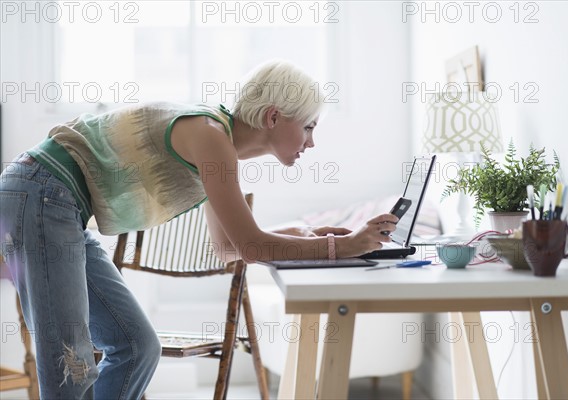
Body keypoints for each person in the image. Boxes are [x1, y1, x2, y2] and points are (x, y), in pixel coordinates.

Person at [0, 60, 398, 399]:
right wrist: (340, 247)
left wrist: (302, 234)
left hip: (56, 203)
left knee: (137, 346)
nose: (312, 142)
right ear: (274, 117)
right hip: (42, 193)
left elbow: (229, 248)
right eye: (309, 126)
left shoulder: (216, 142)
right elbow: (253, 247)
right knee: (71, 362)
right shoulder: (209, 135)